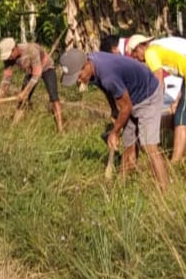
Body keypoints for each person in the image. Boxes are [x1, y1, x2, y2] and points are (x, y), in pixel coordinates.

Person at [60, 47, 170, 189]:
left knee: (149, 146)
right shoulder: (93, 63)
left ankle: (165, 191)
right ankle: (121, 188)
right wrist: (113, 109)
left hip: (148, 95)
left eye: (78, 76)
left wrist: (114, 132)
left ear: (85, 65)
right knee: (128, 143)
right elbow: (107, 89)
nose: (78, 81)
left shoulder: (107, 75)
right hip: (131, 97)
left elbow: (126, 107)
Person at [127, 33, 186, 163]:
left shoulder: (150, 52)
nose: (138, 60)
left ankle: (175, 162)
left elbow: (158, 79)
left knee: (181, 119)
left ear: (139, 48)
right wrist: (178, 100)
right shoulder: (161, 46)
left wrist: (153, 107)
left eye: (136, 56)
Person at [0, 37, 64, 132]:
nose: (9, 58)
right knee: (22, 101)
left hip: (46, 68)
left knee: (54, 97)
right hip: (30, 71)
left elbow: (37, 74)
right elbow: (6, 78)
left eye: (10, 54)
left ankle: (61, 129)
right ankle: (13, 128)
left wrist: (25, 91)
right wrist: (0, 95)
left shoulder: (30, 50)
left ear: (15, 48)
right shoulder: (9, 59)